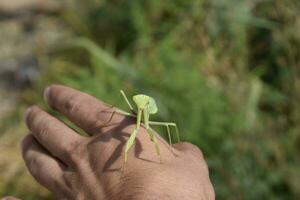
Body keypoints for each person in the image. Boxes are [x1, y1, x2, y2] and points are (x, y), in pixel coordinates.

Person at [3, 85, 215, 200]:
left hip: (146, 113)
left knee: (168, 127)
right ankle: (123, 165)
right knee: (131, 138)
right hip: (138, 111)